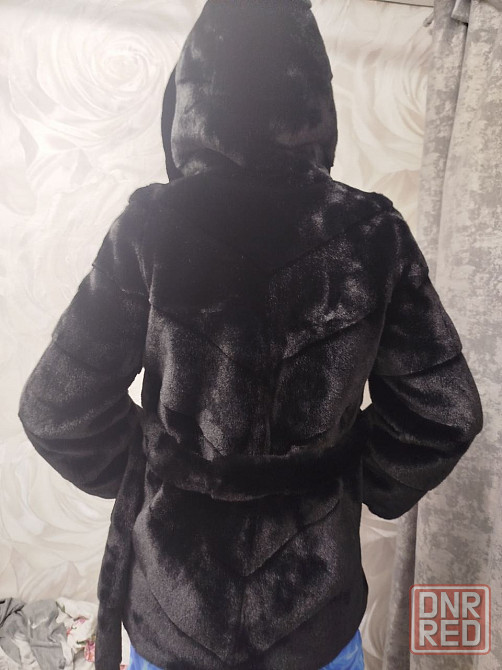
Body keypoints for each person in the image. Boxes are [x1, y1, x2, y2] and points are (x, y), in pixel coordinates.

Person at [18, 1, 483, 669]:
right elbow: (445, 414)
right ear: (314, 100)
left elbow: (55, 407)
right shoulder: (372, 234)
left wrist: (164, 471)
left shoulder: (152, 226)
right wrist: (351, 481)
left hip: (174, 617)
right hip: (312, 621)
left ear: (192, 96)